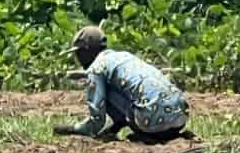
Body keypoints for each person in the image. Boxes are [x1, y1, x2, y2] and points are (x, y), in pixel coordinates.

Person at [53, 25, 189, 143]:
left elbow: (96, 120)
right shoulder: (124, 56)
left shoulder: (96, 68)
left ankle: (146, 133)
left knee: (105, 91)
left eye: (78, 53)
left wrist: (72, 129)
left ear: (86, 51)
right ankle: (139, 127)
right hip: (180, 119)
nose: (78, 59)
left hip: (154, 126)